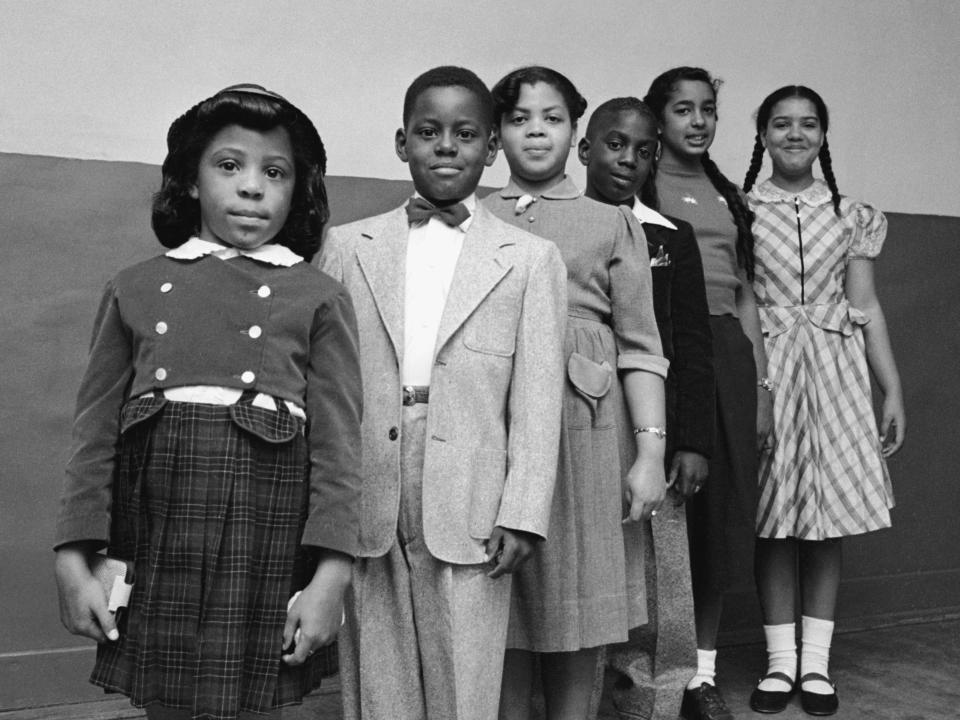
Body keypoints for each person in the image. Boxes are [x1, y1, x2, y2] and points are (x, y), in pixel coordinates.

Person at [54, 84, 363, 720]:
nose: (252, 187)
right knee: (165, 700)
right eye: (229, 165)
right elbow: (93, 436)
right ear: (190, 180)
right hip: (156, 524)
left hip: (267, 527)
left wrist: (332, 574)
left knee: (253, 701)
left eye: (274, 172)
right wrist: (72, 558)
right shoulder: (134, 287)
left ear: (296, 189)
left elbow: (339, 447)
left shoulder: (319, 297)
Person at [320, 65, 567, 720]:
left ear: (491, 148)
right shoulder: (347, 247)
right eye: (428, 132)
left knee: (466, 665)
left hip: (473, 487)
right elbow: (332, 387)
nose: (446, 146)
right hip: (372, 477)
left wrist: (523, 509)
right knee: (378, 660)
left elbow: (539, 399)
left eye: (465, 133)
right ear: (402, 142)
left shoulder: (529, 257)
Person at [483, 66, 669, 720]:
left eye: (553, 118)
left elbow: (643, 346)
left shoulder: (611, 223)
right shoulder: (469, 217)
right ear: (495, 134)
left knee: (577, 609)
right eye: (519, 118)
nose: (536, 131)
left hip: (585, 430)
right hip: (495, 425)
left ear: (574, 131)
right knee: (497, 604)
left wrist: (649, 454)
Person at [742, 85, 905, 717]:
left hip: (837, 374)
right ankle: (780, 664)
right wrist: (753, 380)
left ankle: (817, 665)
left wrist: (890, 385)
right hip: (772, 371)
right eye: (781, 124)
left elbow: (865, 305)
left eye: (808, 124)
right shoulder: (743, 211)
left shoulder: (850, 214)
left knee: (827, 519)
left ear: (823, 135)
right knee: (774, 517)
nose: (794, 134)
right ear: (762, 134)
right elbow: (743, 304)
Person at [644, 66, 773, 720]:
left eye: (708, 110)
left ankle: (702, 676)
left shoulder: (731, 198)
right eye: (683, 110)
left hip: (725, 355)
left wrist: (760, 387)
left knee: (718, 520)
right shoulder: (639, 185)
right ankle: (647, 668)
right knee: (661, 517)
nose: (697, 121)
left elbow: (747, 298)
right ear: (658, 119)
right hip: (662, 350)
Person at [578, 96, 713, 717]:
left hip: (649, 428)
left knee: (661, 578)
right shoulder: (546, 229)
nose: (627, 159)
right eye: (614, 144)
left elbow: (690, 345)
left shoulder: (668, 237)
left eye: (643, 150)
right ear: (584, 149)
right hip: (575, 428)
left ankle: (655, 702)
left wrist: (690, 440)